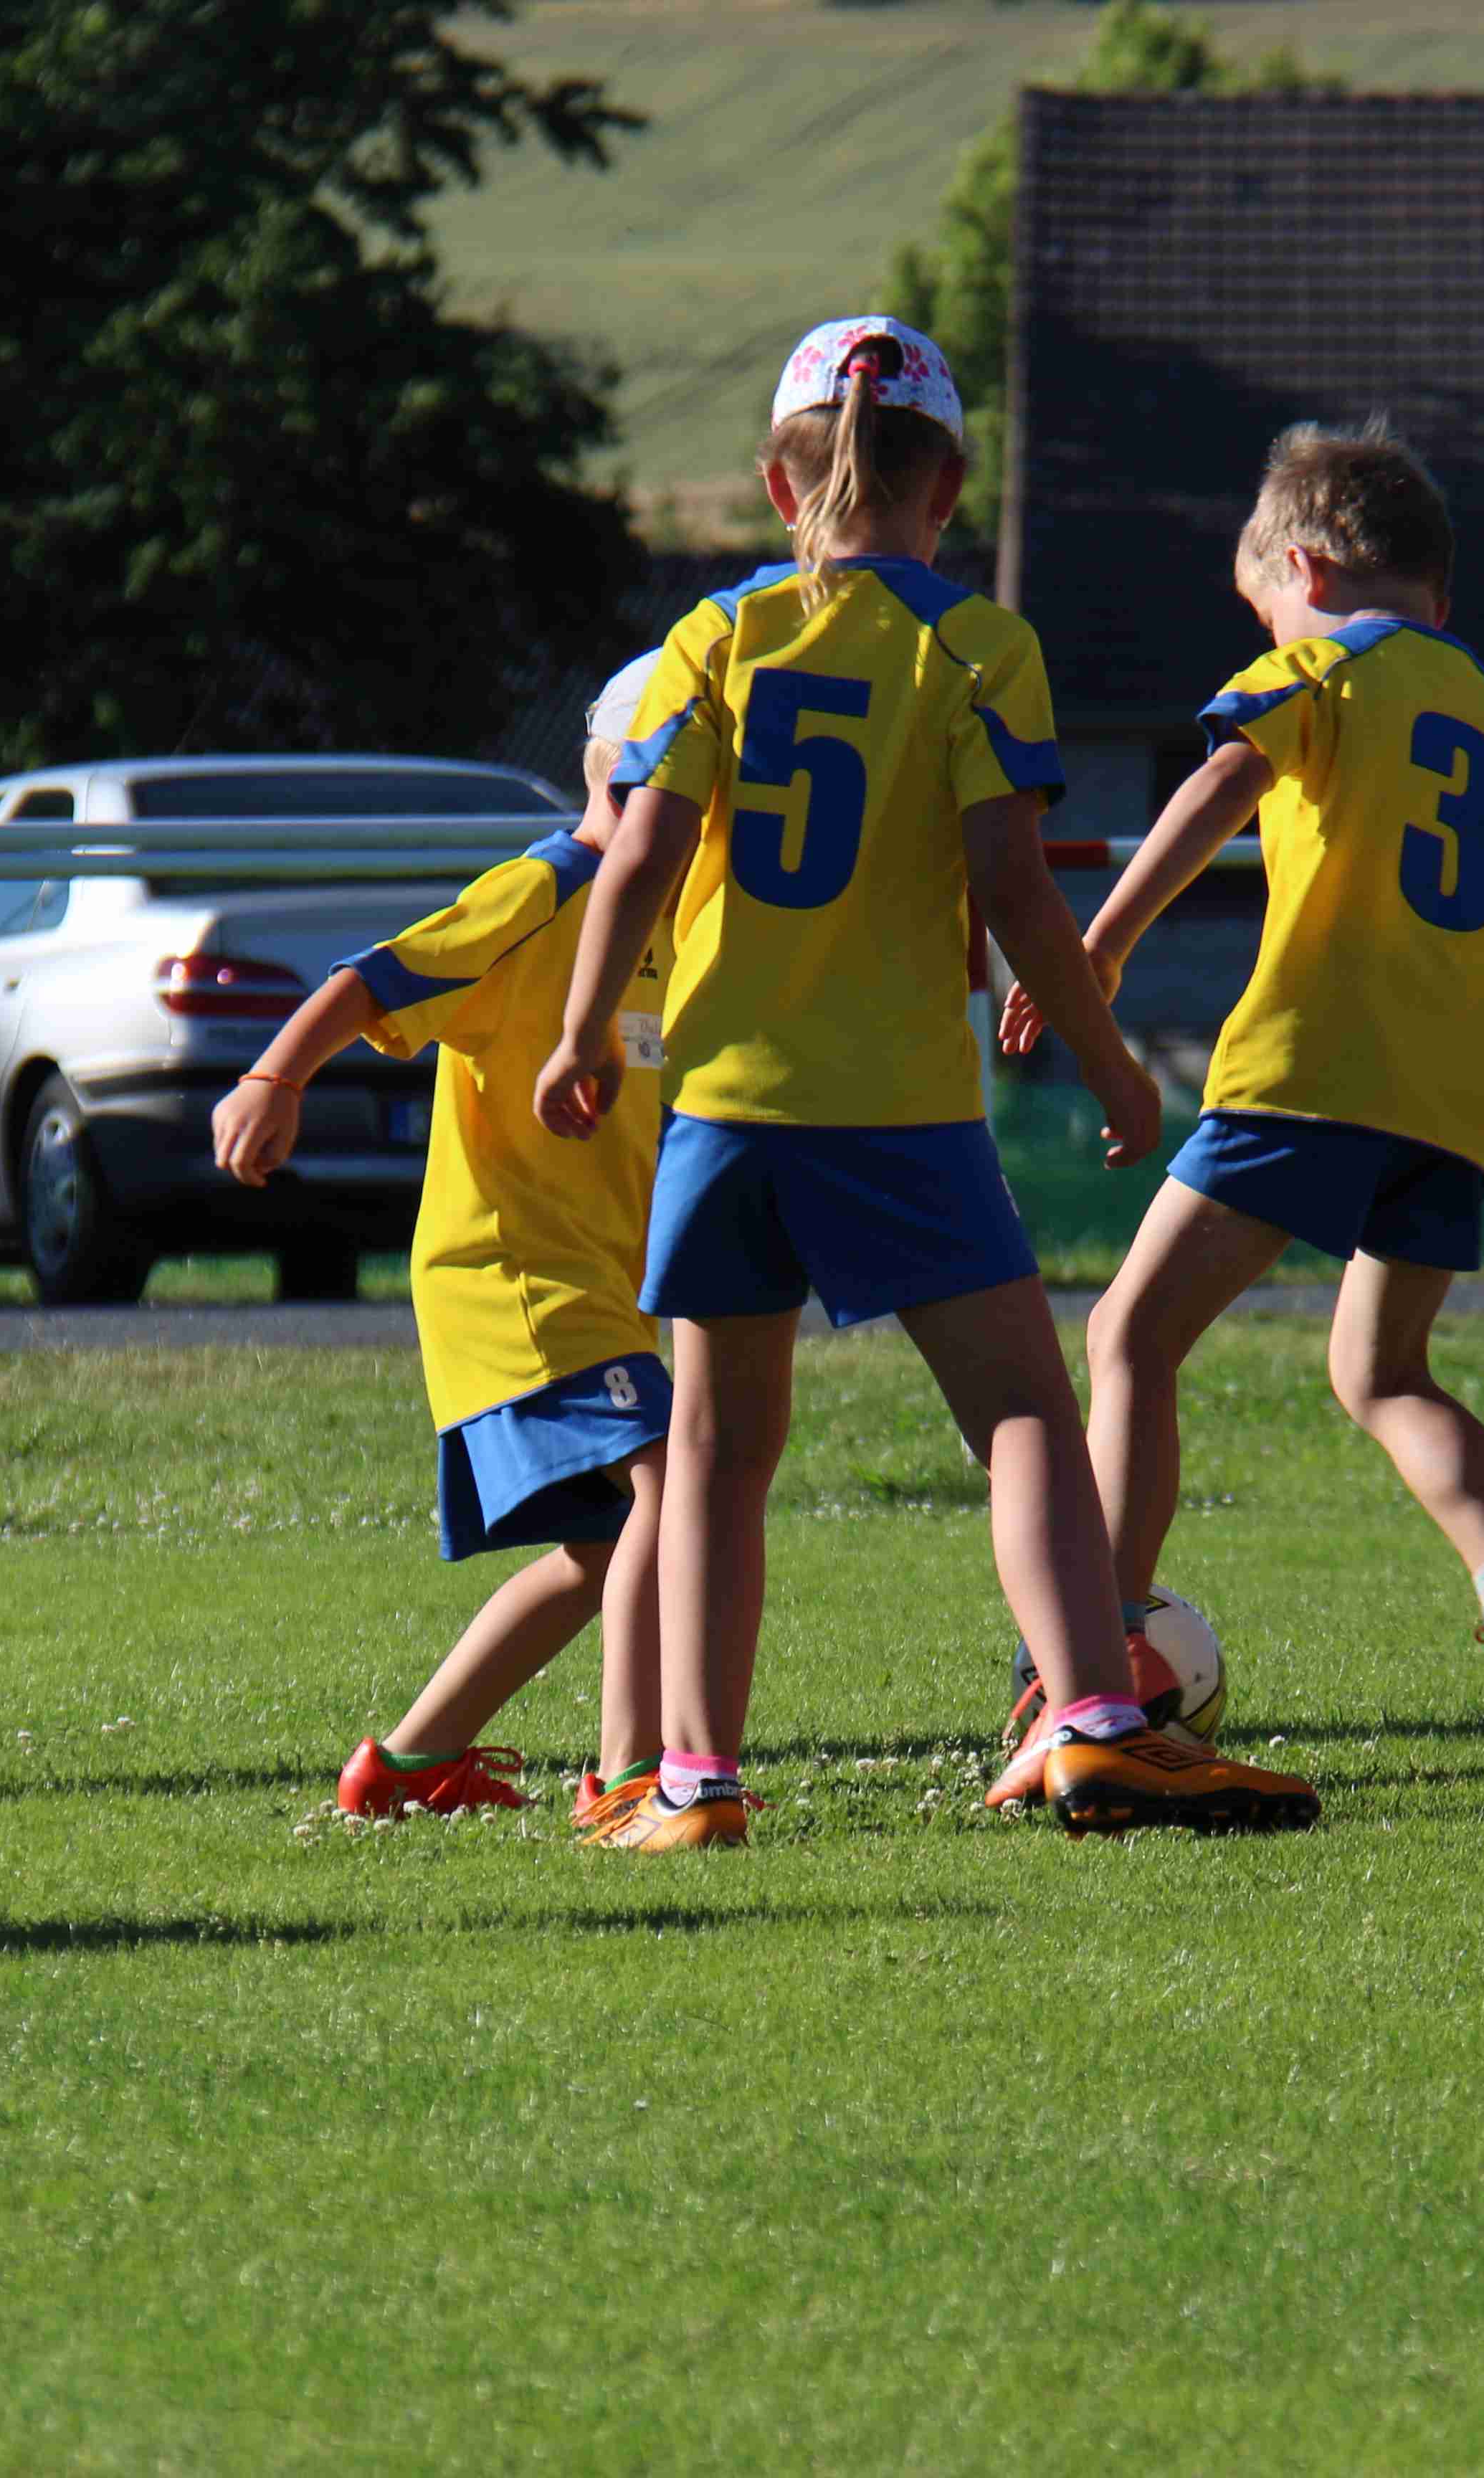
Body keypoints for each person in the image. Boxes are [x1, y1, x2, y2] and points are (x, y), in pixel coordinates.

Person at [532, 314, 1318, 1850]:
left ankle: (694, 1785)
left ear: (779, 484)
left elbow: (639, 859)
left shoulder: (717, 637)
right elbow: (1014, 886)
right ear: (949, 487)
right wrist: (1110, 1060)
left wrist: (580, 1034)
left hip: (726, 1104)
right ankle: (1096, 1724)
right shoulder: (979, 647)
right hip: (896, 1105)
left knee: (716, 1455)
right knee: (1024, 1411)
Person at [991, 421, 1484, 1792]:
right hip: (1457, 1097)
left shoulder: (1316, 668)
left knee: (1130, 1333)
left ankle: (1100, 1674)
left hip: (1316, 1067)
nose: (1262, 633)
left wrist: (1102, 944)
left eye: (1260, 605)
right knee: (1383, 1374)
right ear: (1438, 590)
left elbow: (1225, 774)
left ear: (1306, 572)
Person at [209, 661, 675, 1836]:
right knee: (673, 1489)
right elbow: (373, 981)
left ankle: (407, 1766)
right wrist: (273, 1079)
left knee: (601, 1550)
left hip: (599, 1278)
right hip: (515, 1271)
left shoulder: (674, 919)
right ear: (627, 777)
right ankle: (630, 1780)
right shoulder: (542, 891)